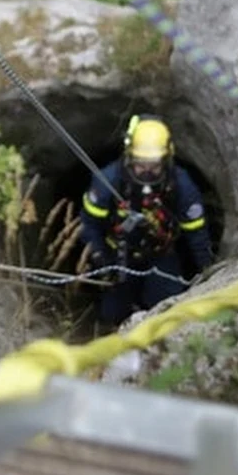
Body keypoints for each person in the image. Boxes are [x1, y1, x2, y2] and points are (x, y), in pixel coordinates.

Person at [80, 114, 214, 325]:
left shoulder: (181, 184)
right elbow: (89, 224)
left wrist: (207, 269)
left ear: (167, 158)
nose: (147, 172)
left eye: (154, 166)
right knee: (112, 314)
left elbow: (196, 231)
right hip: (118, 255)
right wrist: (101, 259)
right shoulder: (108, 181)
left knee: (168, 308)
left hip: (161, 254)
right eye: (140, 164)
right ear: (129, 156)